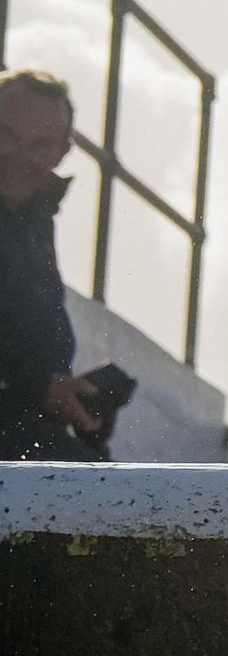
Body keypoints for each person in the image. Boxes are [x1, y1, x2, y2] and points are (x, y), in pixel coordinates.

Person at [0, 68, 107, 463]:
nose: (17, 155)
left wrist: (69, 399)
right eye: (6, 135)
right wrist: (41, 388)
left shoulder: (35, 220)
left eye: (38, 144)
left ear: (62, 151)